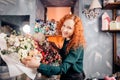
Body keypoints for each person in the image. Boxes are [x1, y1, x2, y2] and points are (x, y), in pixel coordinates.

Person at [22, 14, 86, 80]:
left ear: (75, 31)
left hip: (74, 77)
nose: (64, 29)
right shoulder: (67, 39)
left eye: (69, 28)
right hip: (65, 75)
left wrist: (38, 65)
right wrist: (47, 43)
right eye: (64, 25)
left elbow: (62, 69)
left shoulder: (77, 45)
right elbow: (64, 54)